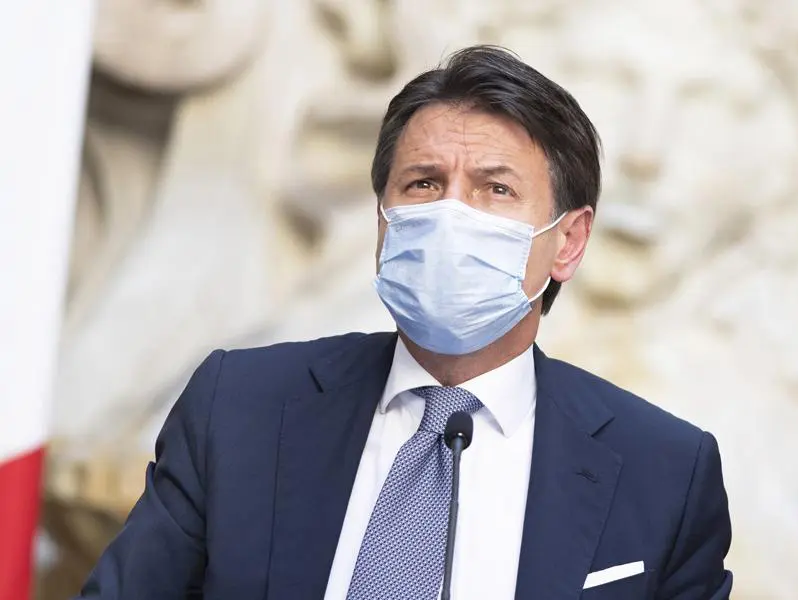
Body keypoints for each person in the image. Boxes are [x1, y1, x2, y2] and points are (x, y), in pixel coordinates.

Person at [75, 45, 732, 599]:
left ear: (569, 241)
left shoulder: (665, 472)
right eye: (423, 183)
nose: (451, 213)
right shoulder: (239, 408)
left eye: (495, 189)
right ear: (382, 219)